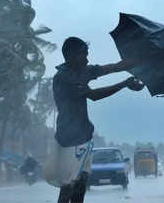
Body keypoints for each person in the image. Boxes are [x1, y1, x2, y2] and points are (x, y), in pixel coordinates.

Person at [50, 37, 145, 203]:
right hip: (67, 140)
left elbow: (112, 68)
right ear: (71, 56)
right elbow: (94, 95)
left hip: (83, 137)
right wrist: (124, 84)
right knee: (68, 187)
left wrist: (137, 61)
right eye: (84, 55)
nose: (87, 59)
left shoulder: (81, 70)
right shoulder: (63, 78)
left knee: (80, 187)